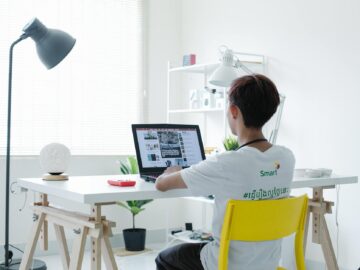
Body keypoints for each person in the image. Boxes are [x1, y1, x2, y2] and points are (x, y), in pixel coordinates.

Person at [155, 74, 295, 270]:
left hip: (225, 263)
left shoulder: (225, 162)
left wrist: (171, 172)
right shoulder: (287, 158)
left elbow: (162, 185)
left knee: (165, 257)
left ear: (234, 111)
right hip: (268, 263)